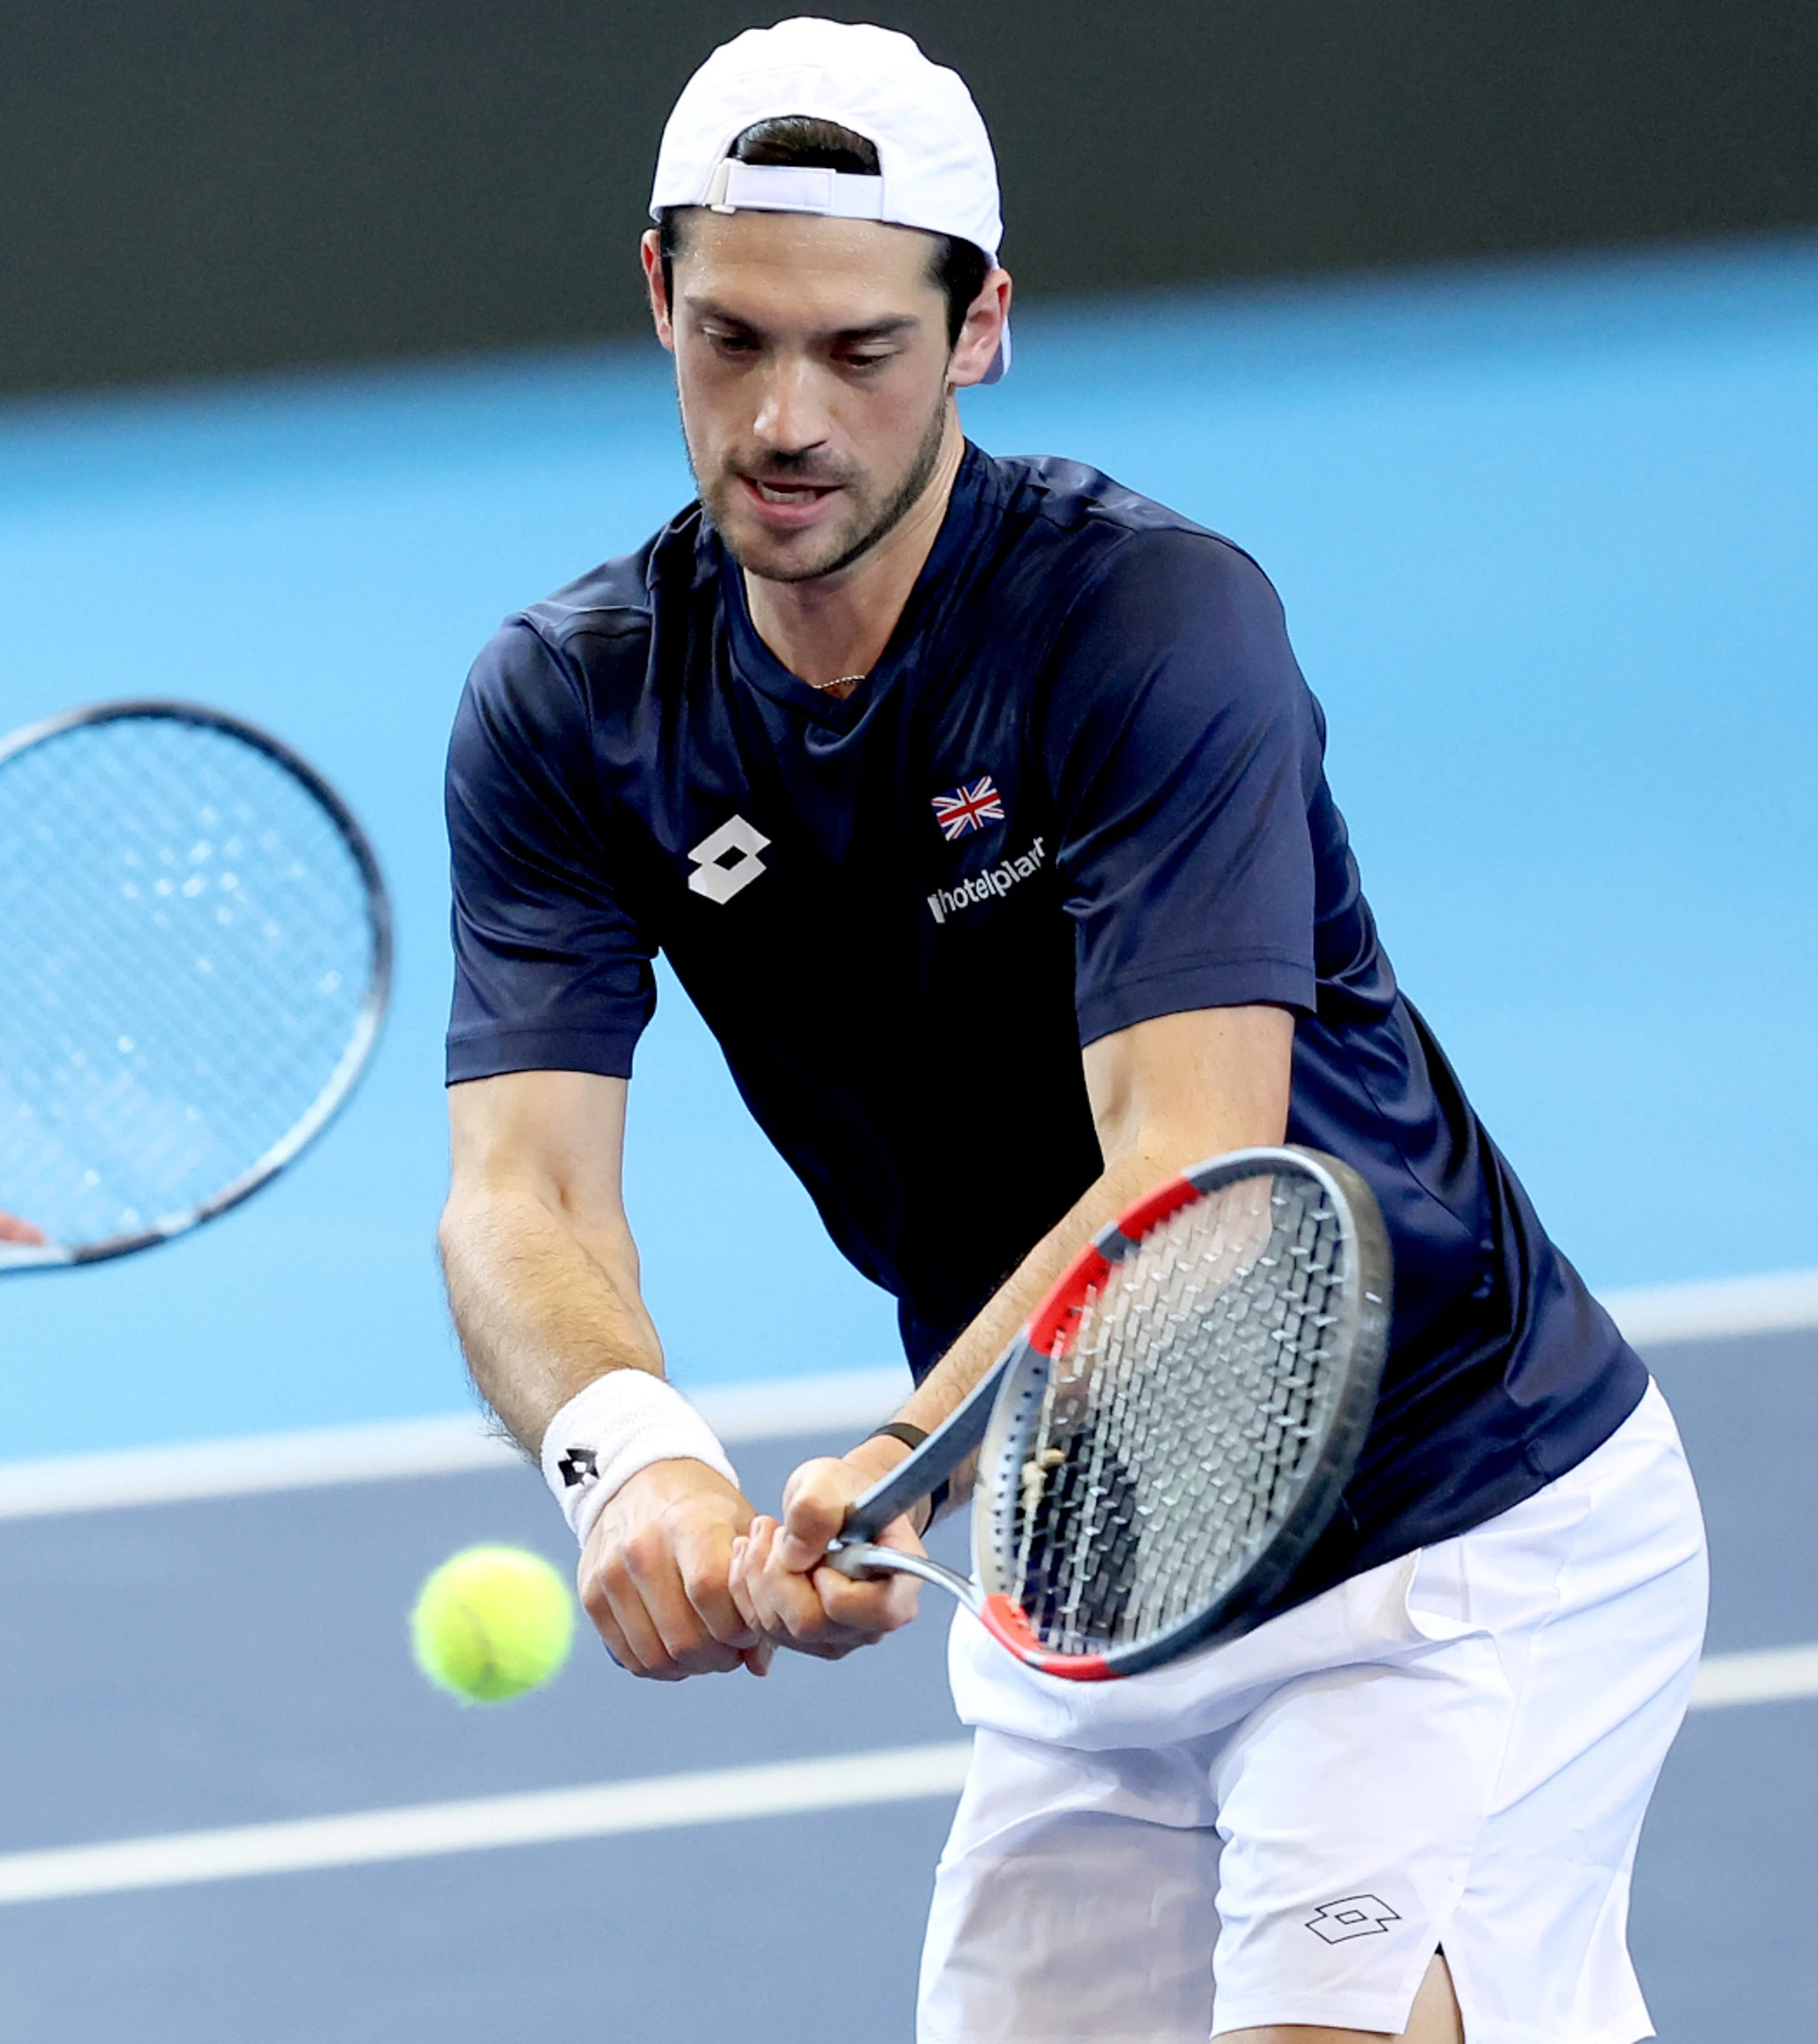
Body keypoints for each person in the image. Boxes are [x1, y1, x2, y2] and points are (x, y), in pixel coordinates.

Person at [436, 20, 1705, 2044]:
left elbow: (1191, 1171)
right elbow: (519, 1186)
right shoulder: (571, 708)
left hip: (1444, 1528)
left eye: (860, 351)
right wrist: (634, 1468)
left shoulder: (1149, 625)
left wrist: (907, 1457)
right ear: (658, 294)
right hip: (1084, 1567)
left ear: (981, 331)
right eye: (736, 337)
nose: (785, 416)